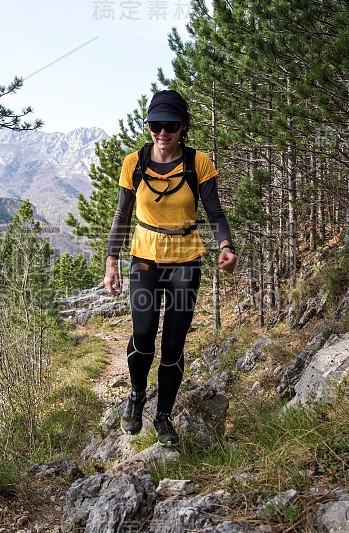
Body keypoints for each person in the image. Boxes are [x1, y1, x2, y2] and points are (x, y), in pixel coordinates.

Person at [103, 89, 237, 446]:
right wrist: (111, 260)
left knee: (174, 343)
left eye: (171, 125)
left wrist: (226, 245)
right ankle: (135, 394)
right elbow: (121, 214)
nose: (163, 132)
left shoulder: (199, 163)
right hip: (145, 258)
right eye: (156, 124)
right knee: (144, 334)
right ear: (148, 125)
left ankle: (163, 416)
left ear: (183, 127)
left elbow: (215, 212)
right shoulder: (134, 162)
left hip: (185, 261)